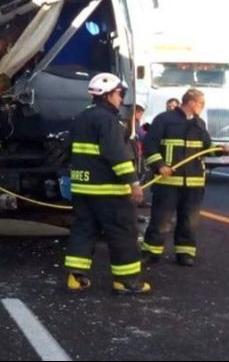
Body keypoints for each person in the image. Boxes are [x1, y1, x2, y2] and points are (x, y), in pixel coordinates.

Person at [64, 73, 150, 295]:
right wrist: (132, 182)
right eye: (119, 94)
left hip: (83, 188)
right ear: (108, 95)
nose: (121, 99)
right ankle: (127, 281)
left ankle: (76, 277)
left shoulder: (82, 117)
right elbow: (116, 154)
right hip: (109, 190)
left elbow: (68, 151)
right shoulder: (108, 120)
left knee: (84, 229)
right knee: (123, 232)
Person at [141, 88, 229, 267]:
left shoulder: (199, 124)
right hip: (168, 182)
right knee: (161, 220)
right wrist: (160, 165)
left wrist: (221, 149)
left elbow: (206, 147)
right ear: (191, 103)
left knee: (189, 220)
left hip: (193, 183)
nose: (202, 107)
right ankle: (151, 252)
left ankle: (185, 253)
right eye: (201, 103)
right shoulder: (164, 120)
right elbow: (149, 145)